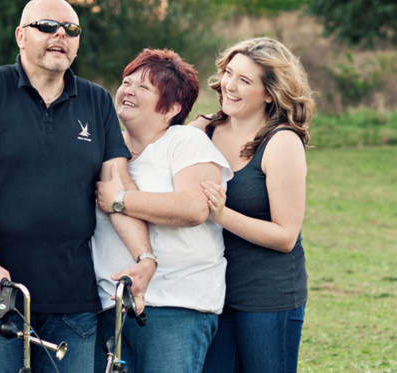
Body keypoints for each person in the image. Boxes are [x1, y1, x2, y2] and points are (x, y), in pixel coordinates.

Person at [0, 0, 153, 373]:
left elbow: (118, 192)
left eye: (71, 29)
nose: (60, 34)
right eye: (47, 26)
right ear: (21, 36)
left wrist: (145, 258)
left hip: (73, 301)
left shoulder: (97, 101)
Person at [91, 48, 233, 372]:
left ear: (170, 108)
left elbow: (195, 207)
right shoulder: (104, 147)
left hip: (175, 306)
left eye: (144, 87)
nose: (128, 90)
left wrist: (120, 199)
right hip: (110, 305)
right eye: (127, 82)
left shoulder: (184, 142)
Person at [188, 37, 315, 373]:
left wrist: (222, 214)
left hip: (269, 297)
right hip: (214, 292)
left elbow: (286, 235)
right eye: (229, 73)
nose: (230, 85)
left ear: (270, 93)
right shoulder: (204, 130)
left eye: (244, 81)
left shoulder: (282, 143)